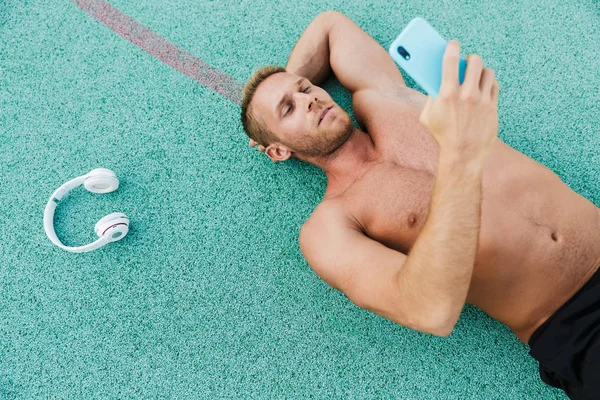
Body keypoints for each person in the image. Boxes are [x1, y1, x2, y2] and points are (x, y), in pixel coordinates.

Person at [240, 11, 600, 399]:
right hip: (576, 326)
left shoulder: (381, 97)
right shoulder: (329, 226)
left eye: (307, 88)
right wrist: (460, 156)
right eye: (289, 109)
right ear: (277, 151)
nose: (309, 101)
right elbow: (429, 310)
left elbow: (330, 26)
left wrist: (282, 100)